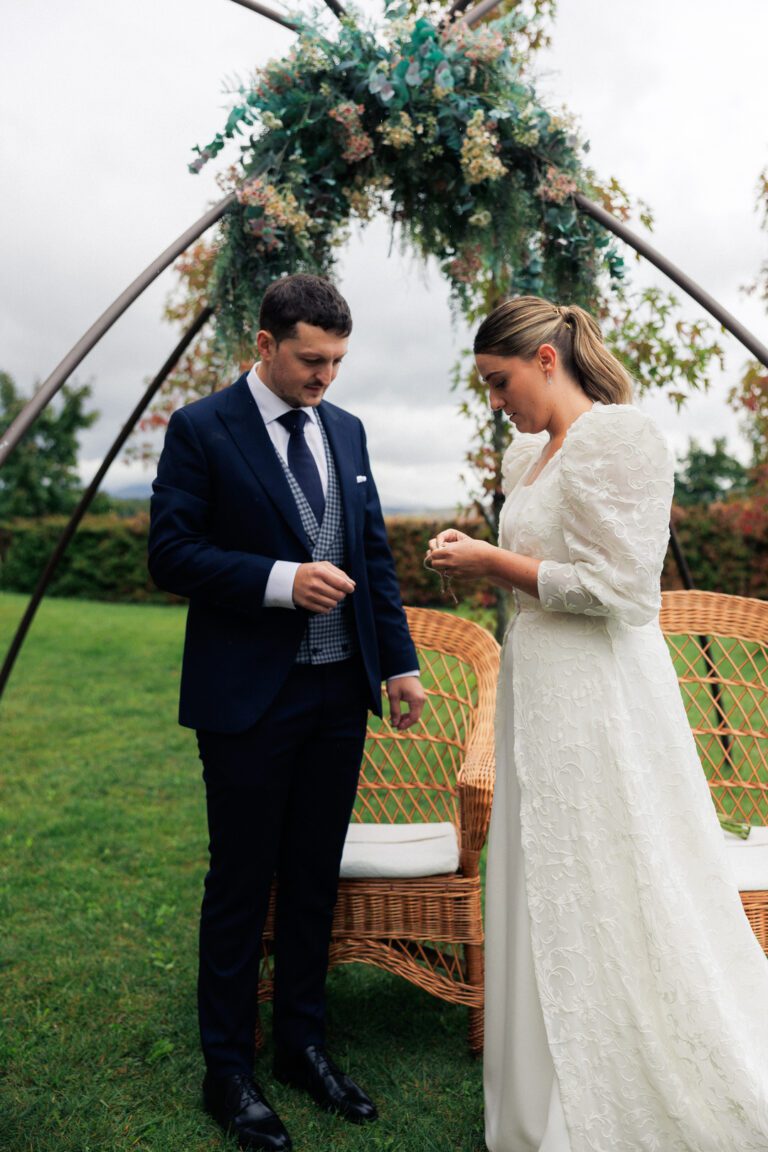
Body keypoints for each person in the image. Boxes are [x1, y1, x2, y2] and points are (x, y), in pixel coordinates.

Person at [426, 295, 768, 1152]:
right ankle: (546, 1084)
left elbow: (623, 592)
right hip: (540, 691)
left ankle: (632, 1079)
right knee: (545, 871)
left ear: (547, 359)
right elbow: (547, 567)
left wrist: (491, 561)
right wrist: (484, 562)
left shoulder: (620, 439)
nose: (496, 403)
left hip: (600, 698)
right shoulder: (529, 455)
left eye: (501, 383)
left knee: (610, 872)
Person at [149, 273, 425, 1152]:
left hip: (339, 696)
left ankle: (304, 1043)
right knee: (241, 886)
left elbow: (371, 555)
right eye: (311, 359)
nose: (325, 377)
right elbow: (172, 553)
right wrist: (279, 583)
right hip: (247, 701)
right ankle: (228, 1070)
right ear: (263, 345)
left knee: (313, 879)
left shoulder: (346, 430)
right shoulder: (200, 429)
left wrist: (401, 664)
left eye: (338, 361)